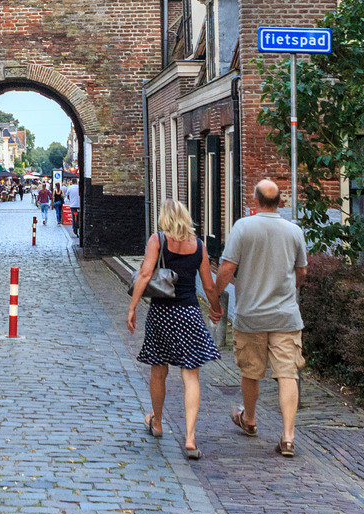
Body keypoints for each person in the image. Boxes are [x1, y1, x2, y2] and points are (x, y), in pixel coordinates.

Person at [214, 178, 309, 457]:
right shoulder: (294, 231)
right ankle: (288, 436)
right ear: (280, 201)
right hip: (285, 316)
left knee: (250, 371)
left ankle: (250, 420)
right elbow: (302, 272)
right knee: (287, 373)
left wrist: (215, 300)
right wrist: (289, 289)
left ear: (256, 200)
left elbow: (227, 268)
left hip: (251, 314)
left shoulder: (243, 227)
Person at [126, 200, 222, 459]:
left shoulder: (158, 240)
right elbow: (209, 285)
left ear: (164, 218)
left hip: (162, 313)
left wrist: (133, 307)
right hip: (190, 312)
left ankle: (156, 423)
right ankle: (190, 438)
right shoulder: (199, 245)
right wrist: (215, 308)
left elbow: (145, 275)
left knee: (159, 370)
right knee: (191, 375)